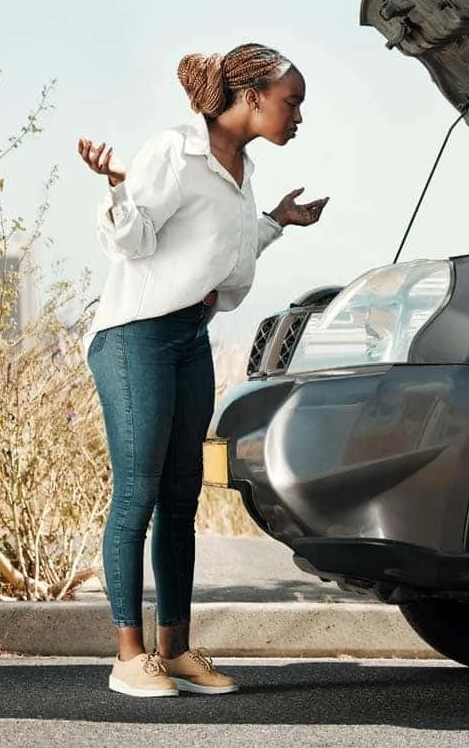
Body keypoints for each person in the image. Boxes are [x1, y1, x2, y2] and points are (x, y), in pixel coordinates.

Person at [76, 43, 327, 698]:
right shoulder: (174, 151)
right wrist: (115, 188)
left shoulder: (238, 170)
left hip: (188, 337)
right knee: (139, 491)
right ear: (251, 98)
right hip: (135, 336)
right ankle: (129, 655)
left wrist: (277, 221)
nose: (298, 115)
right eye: (291, 101)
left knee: (181, 498)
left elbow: (227, 252)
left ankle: (176, 649)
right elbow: (136, 242)